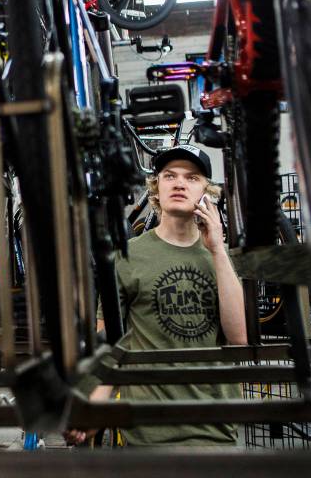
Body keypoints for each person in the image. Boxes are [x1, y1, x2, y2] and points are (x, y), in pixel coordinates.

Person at [67, 144, 247, 447]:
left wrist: (217, 248)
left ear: (208, 193)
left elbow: (239, 336)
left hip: (214, 431)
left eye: (192, 178)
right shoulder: (127, 256)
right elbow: (110, 349)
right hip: (148, 431)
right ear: (156, 188)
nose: (179, 183)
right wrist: (91, 414)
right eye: (169, 176)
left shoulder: (221, 257)